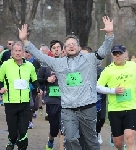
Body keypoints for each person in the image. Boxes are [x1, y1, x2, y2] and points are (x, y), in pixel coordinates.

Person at [19, 16, 114, 150]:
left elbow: (104, 50)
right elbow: (41, 57)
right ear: (64, 49)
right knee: (69, 139)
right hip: (69, 110)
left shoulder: (90, 59)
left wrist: (109, 34)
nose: (70, 46)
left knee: (91, 142)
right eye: (68, 44)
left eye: (73, 44)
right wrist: (25, 41)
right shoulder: (58, 63)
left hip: (88, 108)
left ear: (79, 47)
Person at [97, 44, 136, 150]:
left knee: (130, 138)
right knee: (118, 142)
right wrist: (113, 91)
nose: (117, 56)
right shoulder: (107, 70)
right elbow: (98, 87)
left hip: (131, 108)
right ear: (112, 56)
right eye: (115, 54)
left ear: (125, 54)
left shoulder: (133, 66)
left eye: (120, 53)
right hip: (114, 110)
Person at [0, 41, 42, 150]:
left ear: (23, 52)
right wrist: (1, 88)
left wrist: (38, 89)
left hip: (25, 103)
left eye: (20, 51)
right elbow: (0, 80)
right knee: (13, 132)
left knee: (23, 131)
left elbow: (34, 80)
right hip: (10, 103)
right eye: (15, 51)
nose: (18, 53)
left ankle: (22, 146)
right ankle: (12, 140)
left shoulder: (29, 66)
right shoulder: (5, 65)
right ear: (12, 52)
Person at [38, 40, 64, 150]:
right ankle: (51, 138)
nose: (56, 49)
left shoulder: (67, 63)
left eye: (58, 47)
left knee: (64, 128)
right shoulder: (45, 65)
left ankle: (63, 146)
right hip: (52, 100)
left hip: (65, 100)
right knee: (54, 128)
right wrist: (47, 80)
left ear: (62, 49)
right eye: (54, 47)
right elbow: (39, 80)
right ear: (51, 51)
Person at [24, 51, 41, 128]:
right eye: (26, 52)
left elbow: (39, 72)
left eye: (29, 52)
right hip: (25, 86)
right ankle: (29, 121)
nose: (28, 54)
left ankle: (33, 112)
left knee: (35, 105)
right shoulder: (22, 62)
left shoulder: (36, 62)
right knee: (30, 105)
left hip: (34, 85)